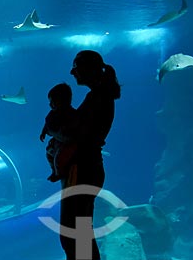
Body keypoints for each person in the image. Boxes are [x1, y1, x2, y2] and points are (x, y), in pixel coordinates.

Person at [59, 50, 121, 260]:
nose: (72, 71)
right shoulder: (99, 95)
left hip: (83, 168)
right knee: (79, 230)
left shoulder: (98, 96)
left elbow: (78, 133)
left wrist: (53, 130)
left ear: (88, 68)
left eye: (76, 66)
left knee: (74, 233)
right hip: (88, 167)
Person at [39, 83, 79, 182]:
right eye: (50, 102)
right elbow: (47, 124)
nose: (50, 104)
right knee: (49, 153)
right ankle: (54, 170)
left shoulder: (71, 113)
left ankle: (59, 173)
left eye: (53, 101)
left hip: (67, 144)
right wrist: (43, 132)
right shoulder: (52, 114)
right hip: (57, 141)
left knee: (59, 157)